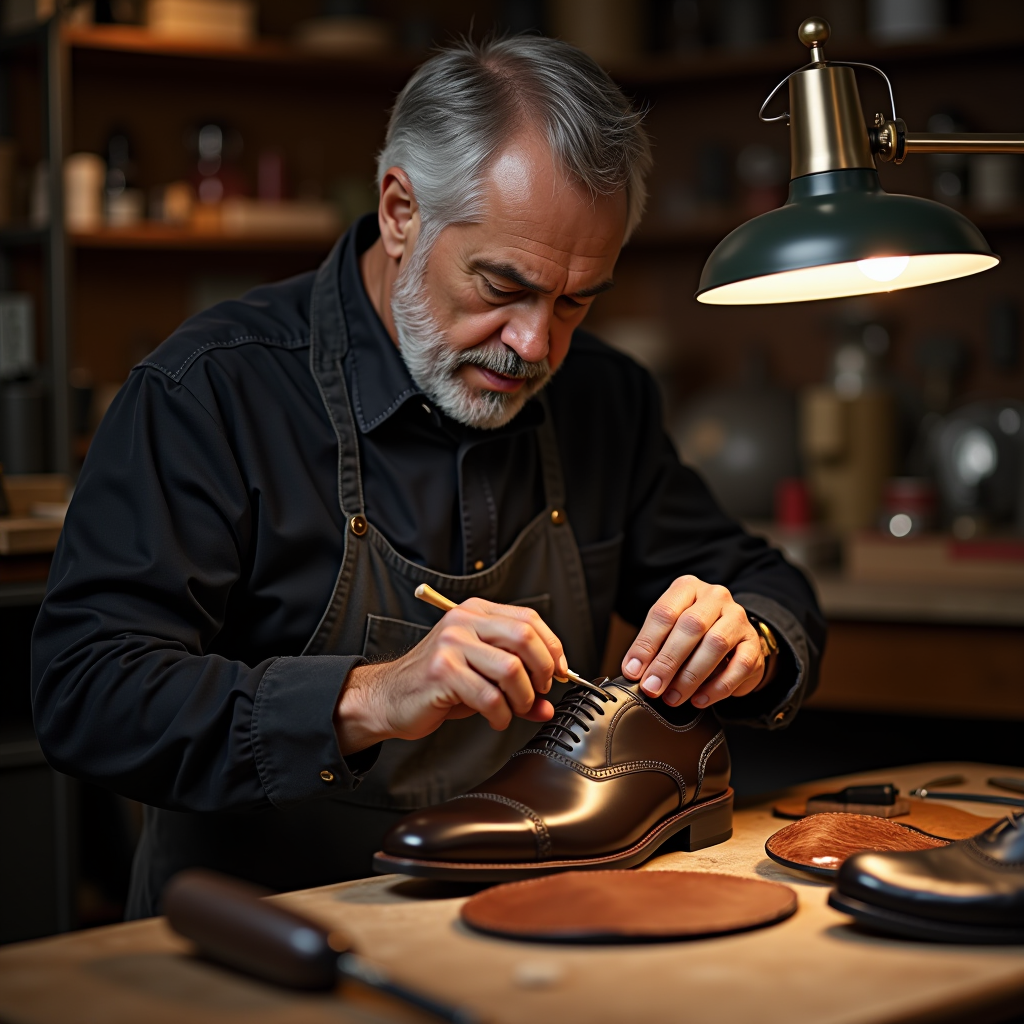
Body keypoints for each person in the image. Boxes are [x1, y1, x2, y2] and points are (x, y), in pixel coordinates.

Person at [31, 35, 825, 918]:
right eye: (501, 285)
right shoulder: (212, 391)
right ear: (401, 209)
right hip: (255, 940)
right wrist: (371, 694)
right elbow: (85, 691)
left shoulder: (604, 397)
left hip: (539, 931)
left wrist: (745, 636)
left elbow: (770, 589)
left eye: (574, 300)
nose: (535, 345)